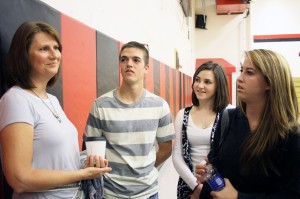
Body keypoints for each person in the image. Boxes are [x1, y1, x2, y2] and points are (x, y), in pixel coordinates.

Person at [0, 21, 112, 199]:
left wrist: (85, 164)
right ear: (24, 55)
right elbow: (19, 178)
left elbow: (59, 163)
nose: (55, 55)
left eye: (56, 48)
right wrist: (83, 175)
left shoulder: (52, 100)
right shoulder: (17, 99)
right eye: (44, 49)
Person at [195, 49, 300, 198]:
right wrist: (206, 172)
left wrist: (238, 197)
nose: (239, 78)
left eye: (249, 72)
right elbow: (214, 164)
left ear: (269, 82)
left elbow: (291, 193)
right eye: (241, 70)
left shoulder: (289, 135)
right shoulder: (227, 119)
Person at [84, 41, 175, 199]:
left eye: (136, 60)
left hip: (148, 193)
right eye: (124, 59)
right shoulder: (100, 105)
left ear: (146, 68)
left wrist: (144, 169)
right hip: (109, 193)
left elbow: (166, 149)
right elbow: (91, 152)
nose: (129, 64)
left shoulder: (160, 106)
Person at [172, 61, 230, 199]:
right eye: (197, 80)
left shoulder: (228, 113)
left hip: (220, 187)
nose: (200, 85)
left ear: (218, 86)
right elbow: (177, 155)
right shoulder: (183, 115)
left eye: (207, 82)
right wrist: (195, 186)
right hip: (189, 187)